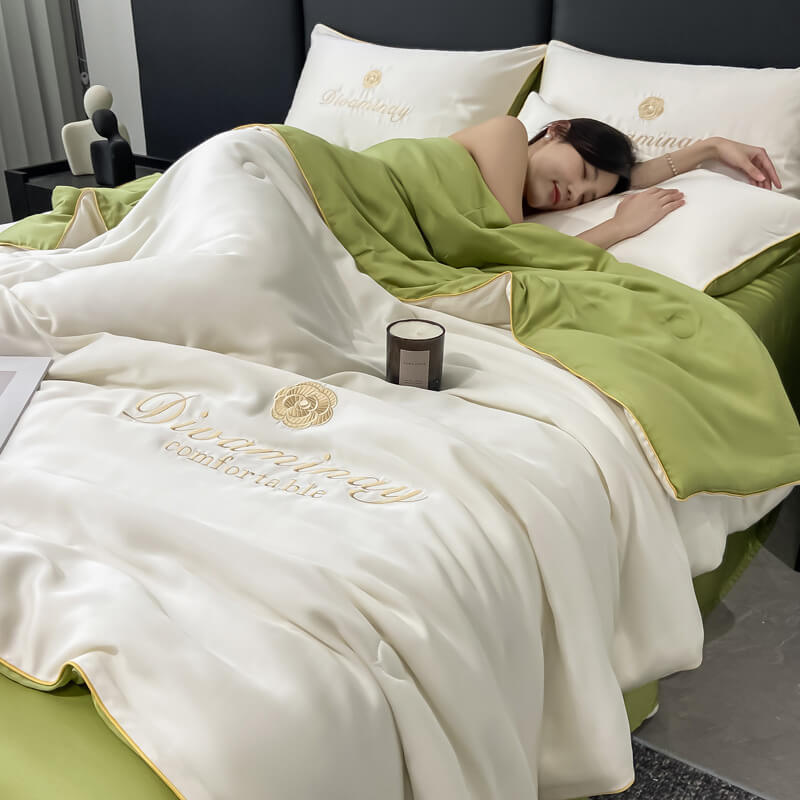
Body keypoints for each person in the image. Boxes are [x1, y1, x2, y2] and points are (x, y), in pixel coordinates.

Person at [450, 115, 781, 249]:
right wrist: (618, 227)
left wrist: (711, 148)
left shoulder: (506, 201)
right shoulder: (507, 132)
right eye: (584, 173)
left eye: (585, 199)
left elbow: (628, 179)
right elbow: (515, 257)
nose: (574, 194)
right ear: (557, 130)